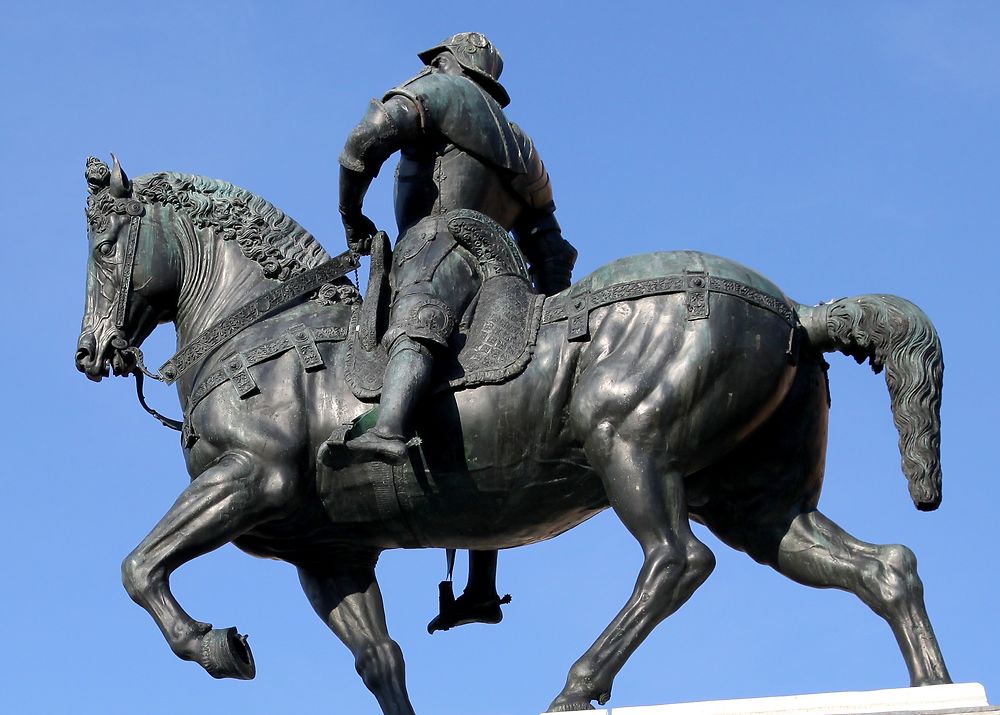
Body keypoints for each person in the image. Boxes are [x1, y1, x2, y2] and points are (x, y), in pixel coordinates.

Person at [330, 32, 577, 632]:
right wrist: (546, 301)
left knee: (419, 313)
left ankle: (388, 430)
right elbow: (552, 247)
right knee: (474, 396)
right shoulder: (526, 150)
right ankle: (480, 587)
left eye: (436, 61)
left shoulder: (439, 92)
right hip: (505, 273)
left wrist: (351, 210)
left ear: (448, 63)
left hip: (441, 241)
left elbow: (365, 140)